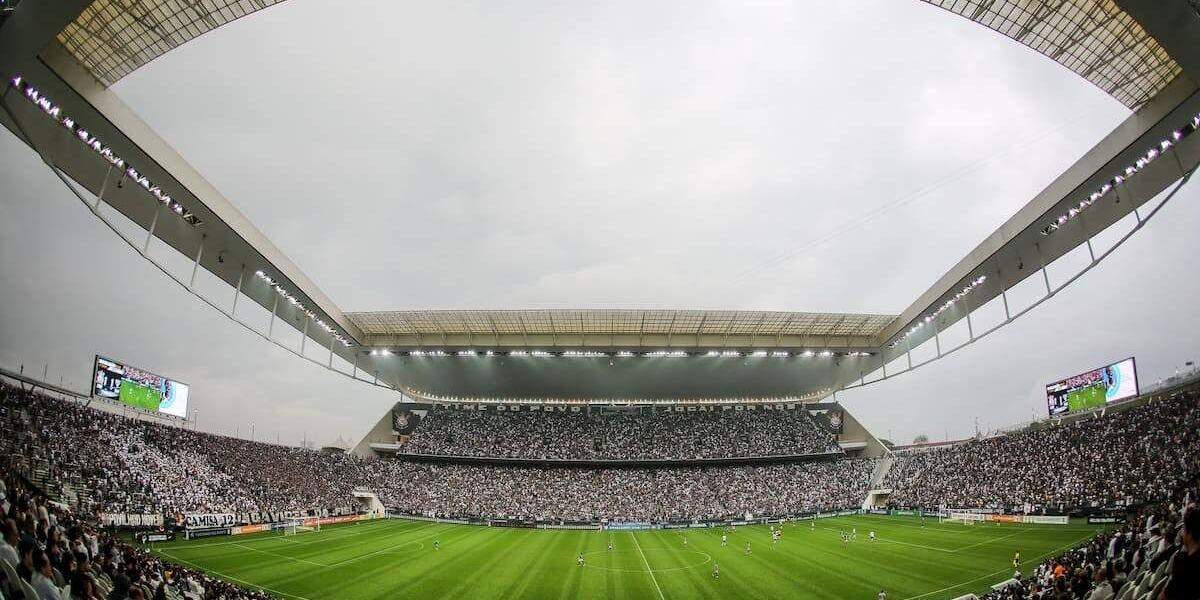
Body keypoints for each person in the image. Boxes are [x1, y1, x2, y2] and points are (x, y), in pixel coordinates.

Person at [1162, 507, 1199, 600]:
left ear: (1189, 533)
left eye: (1184, 529)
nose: (1182, 534)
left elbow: (1165, 597)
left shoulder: (1182, 562)